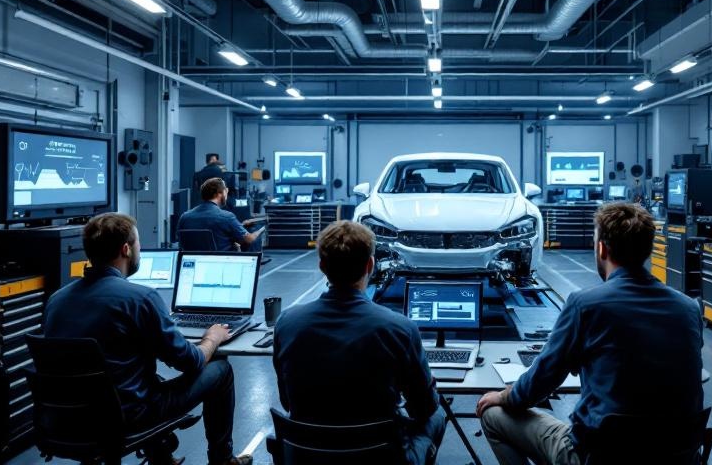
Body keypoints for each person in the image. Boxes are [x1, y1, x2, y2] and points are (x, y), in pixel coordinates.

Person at [476, 203, 703, 465]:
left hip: (600, 456)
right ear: (647, 250)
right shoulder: (688, 308)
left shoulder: (585, 305)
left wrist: (502, 396)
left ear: (602, 248)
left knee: (493, 415)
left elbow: (538, 385)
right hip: (676, 456)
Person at [43, 213, 251, 465]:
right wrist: (212, 339)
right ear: (126, 249)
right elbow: (190, 361)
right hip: (128, 416)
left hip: (65, 419)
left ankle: (162, 458)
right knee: (221, 369)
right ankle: (222, 460)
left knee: (143, 377)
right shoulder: (140, 298)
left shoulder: (56, 300)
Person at [272, 221, 445, 464]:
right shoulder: (400, 329)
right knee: (437, 415)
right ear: (370, 265)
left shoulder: (287, 322)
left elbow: (287, 402)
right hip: (379, 455)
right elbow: (423, 409)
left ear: (322, 266)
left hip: (309, 452)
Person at [178, 178, 265, 253]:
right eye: (225, 191)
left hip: (191, 262)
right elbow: (249, 239)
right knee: (255, 239)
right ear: (219, 194)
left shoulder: (184, 217)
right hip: (219, 262)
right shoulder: (226, 217)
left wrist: (239, 226)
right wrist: (261, 229)